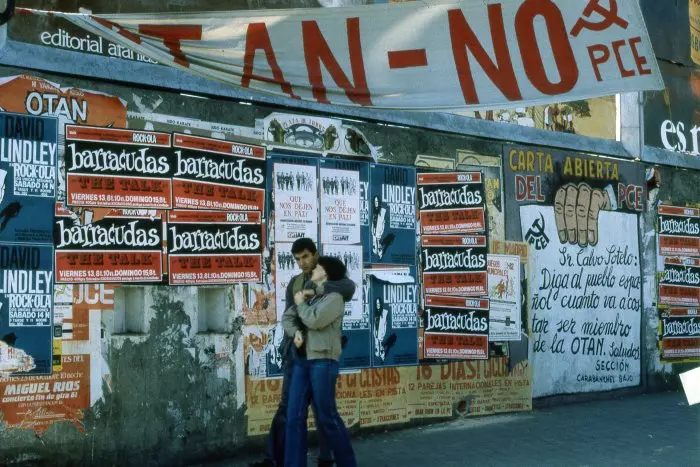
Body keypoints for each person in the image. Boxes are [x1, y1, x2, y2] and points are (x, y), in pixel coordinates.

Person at [254, 238, 354, 467]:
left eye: (306, 257)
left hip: (321, 356)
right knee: (290, 412)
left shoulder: (334, 282)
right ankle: (277, 458)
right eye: (297, 259)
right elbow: (290, 315)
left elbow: (346, 290)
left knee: (324, 414)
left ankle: (327, 459)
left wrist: (315, 291)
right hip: (297, 353)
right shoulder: (295, 282)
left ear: (316, 255)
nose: (302, 263)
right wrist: (295, 331)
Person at [283, 256, 357, 467]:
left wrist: (300, 304)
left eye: (317, 267)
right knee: (294, 417)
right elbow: (288, 317)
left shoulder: (335, 298)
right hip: (302, 361)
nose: (313, 269)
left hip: (323, 362)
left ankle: (347, 463)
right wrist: (295, 331)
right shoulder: (310, 293)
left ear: (326, 272)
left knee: (327, 418)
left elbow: (314, 320)